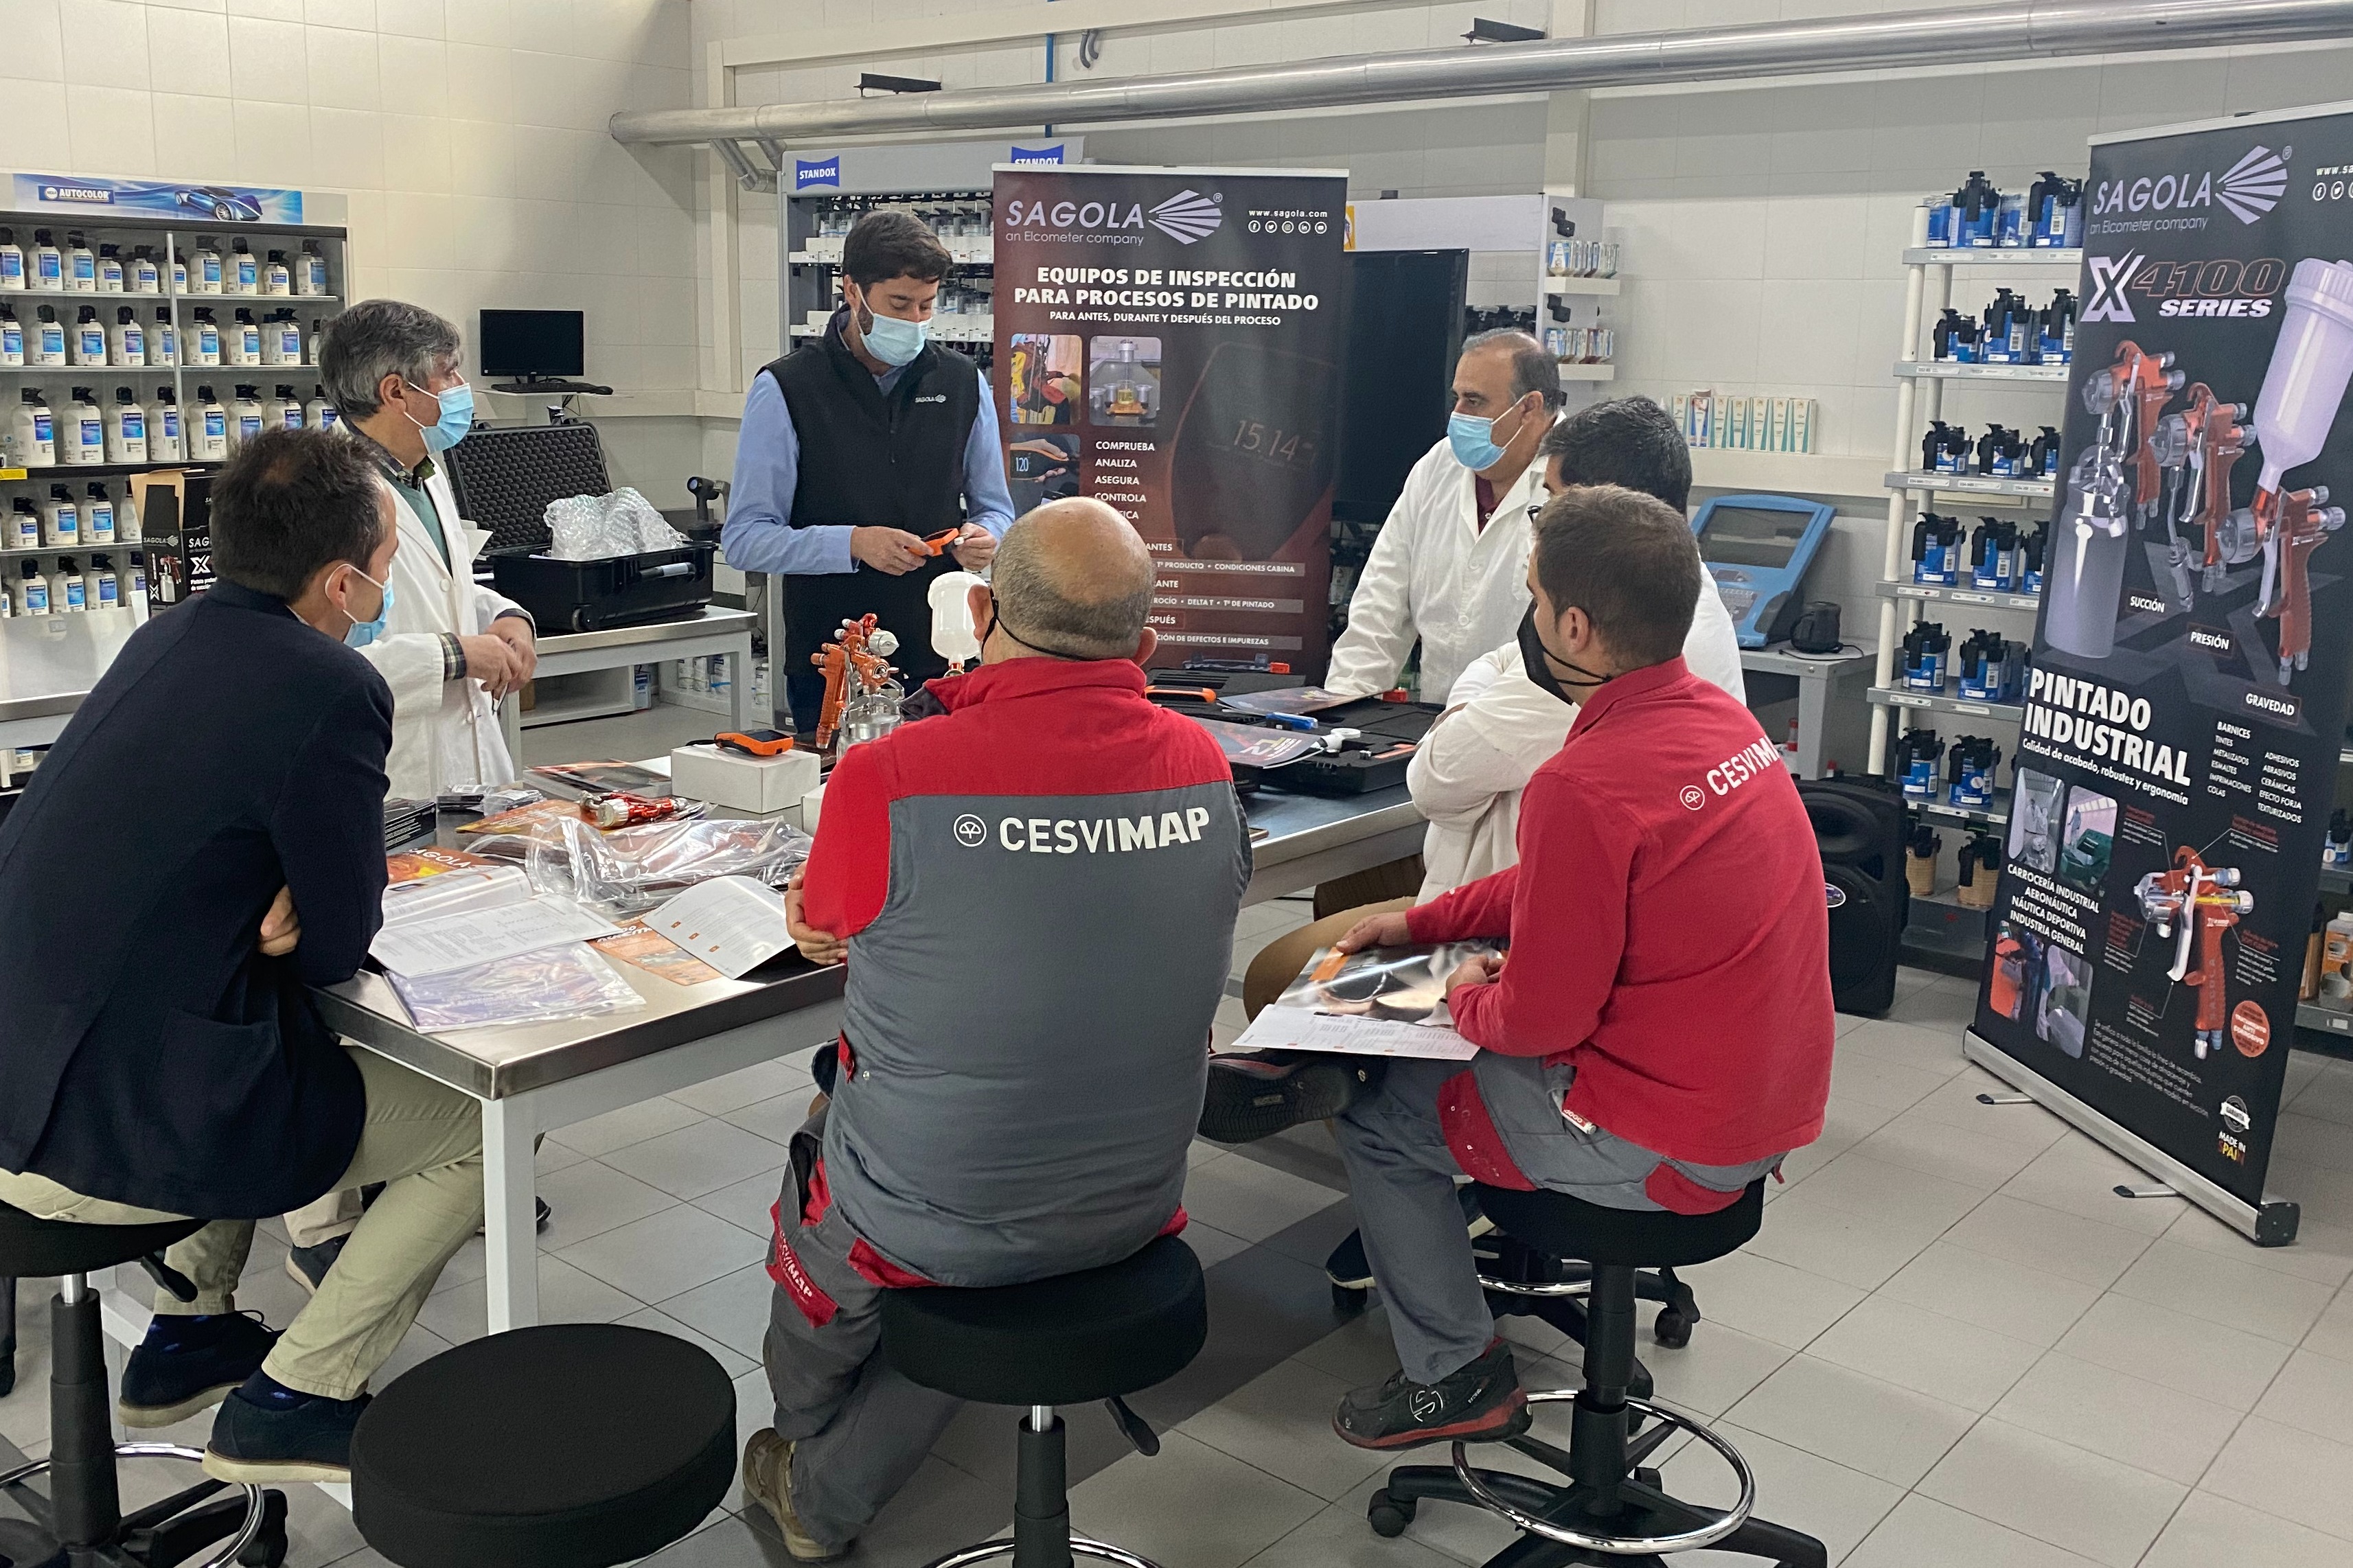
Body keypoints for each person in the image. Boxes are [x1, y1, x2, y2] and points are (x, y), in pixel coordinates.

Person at [743, 498, 1249, 1561]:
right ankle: (825, 1478)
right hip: (1135, 1199)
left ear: (978, 614)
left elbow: (823, 922)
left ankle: (801, 1454)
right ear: (1147, 645)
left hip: (932, 1216)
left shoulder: (890, 773)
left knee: (829, 1152)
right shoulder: (1203, 765)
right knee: (979, 1212)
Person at [0, 428, 487, 1484]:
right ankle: (300, 1396)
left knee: (245, 1033)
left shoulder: (168, 636)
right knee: (475, 1131)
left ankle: (190, 1331)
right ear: (342, 582)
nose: (385, 588)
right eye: (385, 564)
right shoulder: (329, 685)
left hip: (23, 1071)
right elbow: (337, 948)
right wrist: (300, 913)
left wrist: (263, 906)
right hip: (93, 1132)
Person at [1319, 486, 1833, 1449]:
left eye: (1531, 595)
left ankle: (1454, 1373)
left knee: (1379, 1111)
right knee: (1443, 1055)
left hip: (1661, 1147)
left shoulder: (1582, 780)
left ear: (1572, 628)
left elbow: (1538, 1023)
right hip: (1757, 1114)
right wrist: (1424, 922)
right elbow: (1558, 882)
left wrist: (1461, 997)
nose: (1526, 614)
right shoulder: (1725, 728)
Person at [1237, 395, 1747, 1017]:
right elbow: (1499, 661)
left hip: (1522, 939)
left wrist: (1470, 702)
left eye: (1550, 501)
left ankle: (1376, 1071)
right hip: (1557, 902)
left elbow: (1437, 778)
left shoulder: (1607, 651)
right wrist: (1486, 686)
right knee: (1356, 886)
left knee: (1274, 975)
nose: (1540, 524)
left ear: (1603, 513)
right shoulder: (1673, 608)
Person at [724, 210, 1015, 737]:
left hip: (945, 655)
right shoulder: (788, 389)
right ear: (852, 291)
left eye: (927, 305)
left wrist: (986, 535)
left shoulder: (961, 381)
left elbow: (995, 507)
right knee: (842, 786)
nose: (915, 321)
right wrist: (852, 544)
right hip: (834, 663)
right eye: (898, 305)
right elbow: (746, 539)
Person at [317, 299, 538, 803]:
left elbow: (441, 589)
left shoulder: (422, 471)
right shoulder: (327, 496)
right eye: (448, 373)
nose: (461, 387)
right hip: (394, 770)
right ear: (396, 391)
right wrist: (454, 655)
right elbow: (320, 666)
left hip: (470, 759)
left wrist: (505, 617)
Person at [1323, 328, 1562, 706]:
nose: (1457, 415)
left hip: (1531, 724)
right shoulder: (1439, 466)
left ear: (1529, 407)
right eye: (1457, 398)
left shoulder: (1579, 482)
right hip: (1437, 718)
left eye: (1474, 401)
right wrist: (1344, 710)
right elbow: (1380, 604)